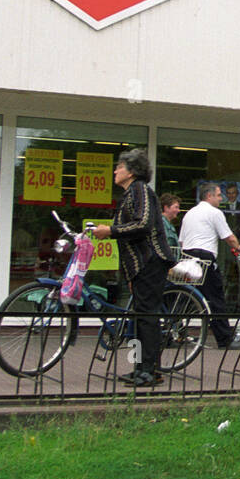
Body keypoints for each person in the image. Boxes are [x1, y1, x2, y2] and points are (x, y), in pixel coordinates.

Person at [92, 149, 173, 386]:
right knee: (139, 318)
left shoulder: (140, 190)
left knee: (147, 317)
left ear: (132, 171)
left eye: (119, 166)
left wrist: (110, 231)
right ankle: (140, 368)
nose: (115, 171)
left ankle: (150, 371)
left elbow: (143, 224)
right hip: (139, 266)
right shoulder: (129, 194)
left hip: (150, 261)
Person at [180, 181, 240, 349]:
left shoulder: (190, 213)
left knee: (184, 296)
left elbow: (181, 241)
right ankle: (224, 339)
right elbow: (229, 237)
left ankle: (175, 331)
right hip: (204, 258)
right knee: (215, 298)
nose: (221, 199)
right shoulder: (214, 213)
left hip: (187, 257)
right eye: (218, 195)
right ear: (209, 196)